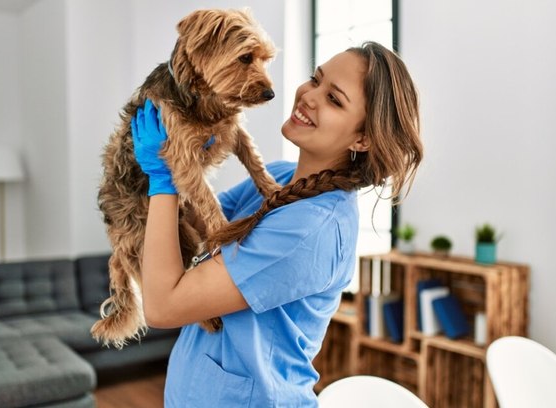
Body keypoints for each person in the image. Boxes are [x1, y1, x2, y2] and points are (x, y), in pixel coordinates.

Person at [131, 41, 423, 407]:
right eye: (315, 80)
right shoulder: (281, 178)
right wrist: (185, 157)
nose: (309, 96)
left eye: (334, 99)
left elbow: (163, 306)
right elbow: (190, 224)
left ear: (363, 138)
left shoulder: (310, 230)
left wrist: (163, 178)